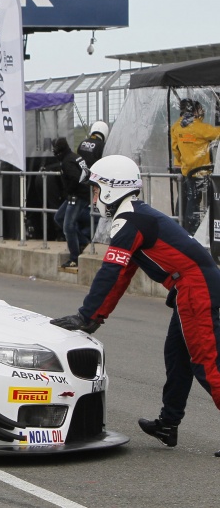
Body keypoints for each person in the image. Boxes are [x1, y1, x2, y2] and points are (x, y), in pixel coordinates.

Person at [50, 155, 220, 457]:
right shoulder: (134, 215)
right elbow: (123, 273)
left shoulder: (130, 221)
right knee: (177, 358)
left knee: (207, 364)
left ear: (112, 189)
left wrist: (87, 316)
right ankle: (168, 424)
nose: (94, 196)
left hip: (196, 289)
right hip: (192, 287)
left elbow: (112, 271)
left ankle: (169, 422)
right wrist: (96, 316)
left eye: (96, 188)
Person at [170, 98, 220, 232]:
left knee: (184, 200)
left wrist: (180, 162)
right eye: (200, 109)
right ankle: (193, 230)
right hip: (200, 171)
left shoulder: (177, 127)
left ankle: (178, 227)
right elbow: (217, 133)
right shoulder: (200, 128)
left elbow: (175, 149)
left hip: (186, 170)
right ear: (195, 111)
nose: (202, 111)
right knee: (195, 203)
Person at [49, 137, 91, 269]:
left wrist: (67, 192)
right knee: (59, 217)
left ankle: (74, 258)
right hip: (81, 193)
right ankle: (83, 242)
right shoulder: (74, 157)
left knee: (68, 226)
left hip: (78, 196)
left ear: (58, 150)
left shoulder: (67, 161)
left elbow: (74, 177)